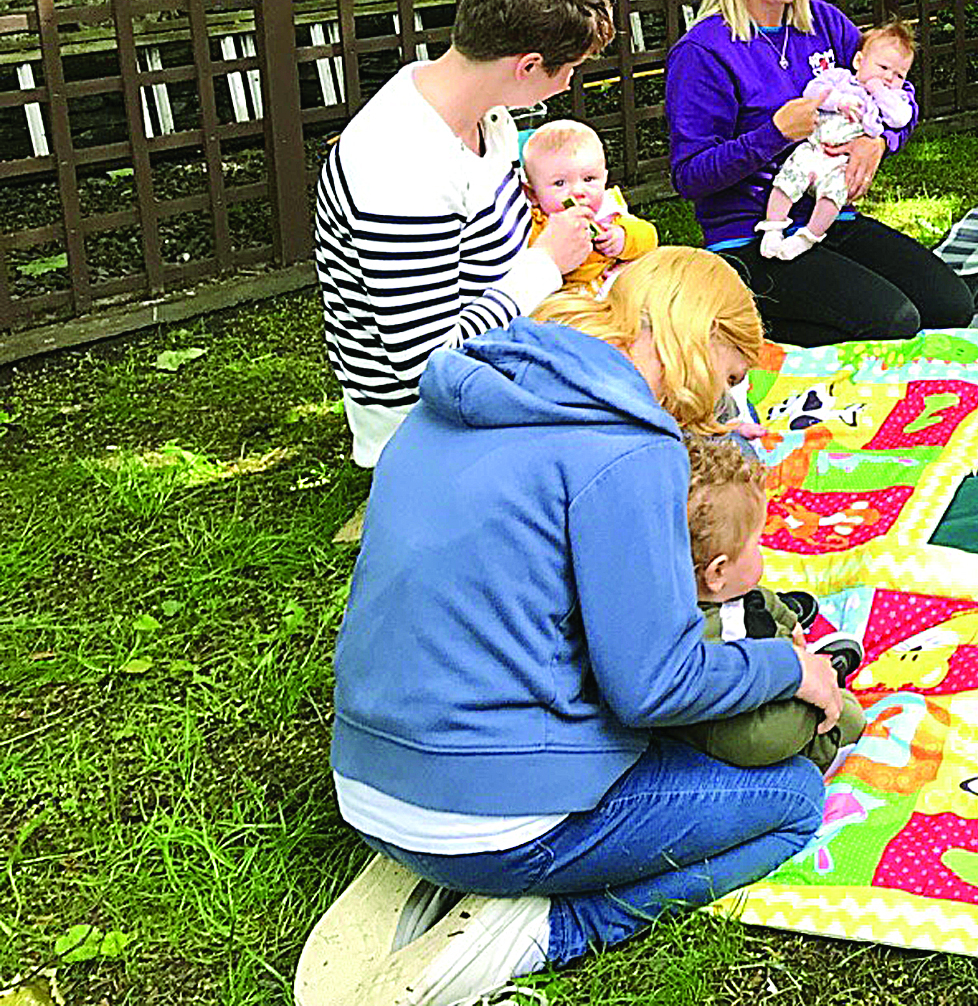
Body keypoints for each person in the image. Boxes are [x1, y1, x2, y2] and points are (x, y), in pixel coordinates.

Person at [298, 250, 835, 1006]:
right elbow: (655, 687)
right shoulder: (627, 447)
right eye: (732, 373)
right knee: (792, 800)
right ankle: (548, 928)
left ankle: (455, 849)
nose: (725, 403)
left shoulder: (463, 394)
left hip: (365, 780)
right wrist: (792, 670)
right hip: (494, 818)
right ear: (696, 337)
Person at [315, 0, 611, 468]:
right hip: (431, 421)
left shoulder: (474, 110)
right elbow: (428, 364)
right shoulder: (401, 165)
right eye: (567, 69)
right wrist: (545, 263)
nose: (568, 83)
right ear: (528, 66)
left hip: (510, 352)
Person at [666, 0, 978, 345]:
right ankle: (737, 319)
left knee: (950, 305)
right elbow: (689, 176)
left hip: (830, 219)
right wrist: (773, 134)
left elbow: (897, 94)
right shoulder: (703, 52)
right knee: (893, 323)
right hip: (752, 237)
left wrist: (879, 142)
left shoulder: (825, 23)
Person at [679, 437, 868, 769]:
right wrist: (813, 701)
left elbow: (756, 599)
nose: (762, 552)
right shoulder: (707, 640)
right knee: (850, 718)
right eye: (757, 544)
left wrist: (787, 619)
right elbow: (758, 739)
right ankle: (829, 671)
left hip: (770, 662)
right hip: (772, 727)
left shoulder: (716, 593)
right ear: (718, 571)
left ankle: (817, 665)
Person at [755, 19, 918, 263]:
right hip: (814, 148)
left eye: (898, 74)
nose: (888, 77)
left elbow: (901, 118)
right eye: (883, 67)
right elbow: (812, 92)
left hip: (841, 163)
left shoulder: (892, 98)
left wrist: (880, 92)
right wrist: (839, 102)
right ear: (859, 62)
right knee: (787, 179)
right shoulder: (840, 79)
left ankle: (809, 236)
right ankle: (773, 227)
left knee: (833, 196)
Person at [521, 119, 658, 293]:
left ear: (604, 178)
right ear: (532, 194)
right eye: (560, 183)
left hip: (615, 293)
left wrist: (624, 238)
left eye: (589, 179)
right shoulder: (537, 227)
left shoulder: (609, 213)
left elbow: (650, 238)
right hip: (569, 303)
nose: (578, 191)